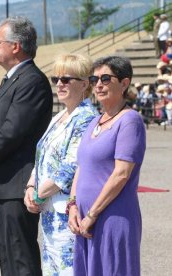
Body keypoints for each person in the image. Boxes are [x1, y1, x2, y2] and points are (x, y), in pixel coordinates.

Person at [0, 16, 53, 275]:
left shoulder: (32, 81)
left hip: (16, 185)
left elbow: (11, 132)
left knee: (20, 256)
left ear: (15, 46)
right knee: (6, 255)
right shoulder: (12, 78)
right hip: (1, 183)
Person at [68, 56, 146, 275]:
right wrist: (72, 205)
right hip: (84, 218)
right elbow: (81, 166)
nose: (99, 84)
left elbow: (121, 174)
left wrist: (93, 213)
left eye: (105, 78)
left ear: (124, 83)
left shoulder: (129, 120)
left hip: (112, 217)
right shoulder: (95, 120)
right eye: (94, 79)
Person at [23, 53, 98, 275]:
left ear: (84, 84)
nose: (59, 84)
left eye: (66, 79)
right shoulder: (59, 117)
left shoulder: (86, 117)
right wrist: (29, 188)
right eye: (56, 79)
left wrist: (37, 194)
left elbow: (69, 167)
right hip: (48, 209)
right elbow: (41, 156)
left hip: (66, 213)